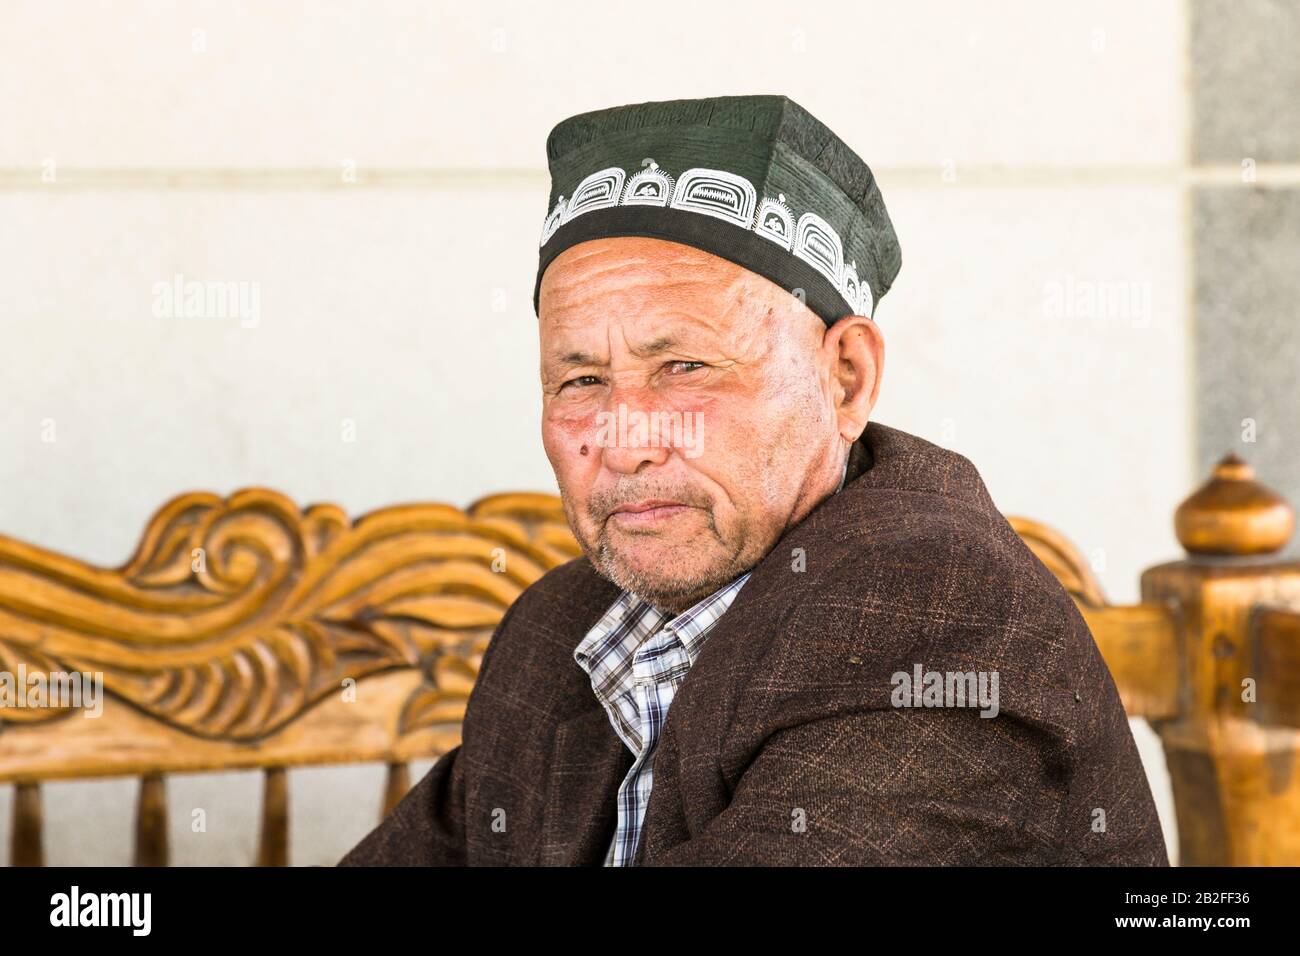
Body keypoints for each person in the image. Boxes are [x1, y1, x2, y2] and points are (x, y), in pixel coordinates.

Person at [339, 94, 1168, 866]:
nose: (626, 443)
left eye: (685, 366)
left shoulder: (938, 612)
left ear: (845, 378)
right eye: (582, 381)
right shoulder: (561, 631)